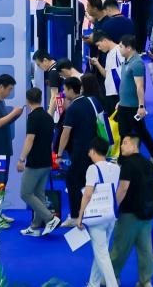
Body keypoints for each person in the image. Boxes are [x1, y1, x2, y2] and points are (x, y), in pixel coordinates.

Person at [108, 134, 153, 287]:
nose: (122, 146)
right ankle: (146, 280)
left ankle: (111, 278)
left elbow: (123, 188)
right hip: (147, 212)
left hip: (129, 213)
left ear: (134, 145)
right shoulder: (148, 163)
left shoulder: (128, 164)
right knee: (145, 249)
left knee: (119, 248)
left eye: (125, 143)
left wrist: (113, 208)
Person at [73, 137, 121, 287]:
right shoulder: (116, 167)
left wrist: (80, 216)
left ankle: (112, 284)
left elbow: (87, 194)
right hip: (111, 214)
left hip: (97, 216)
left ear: (93, 151)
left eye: (89, 151)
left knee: (101, 253)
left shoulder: (92, 169)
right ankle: (93, 283)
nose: (88, 153)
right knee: (101, 250)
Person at [16, 87, 61, 237]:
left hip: (35, 163)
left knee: (25, 193)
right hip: (46, 161)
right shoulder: (48, 117)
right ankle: (35, 227)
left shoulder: (33, 117)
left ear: (28, 100)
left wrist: (21, 159)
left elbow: (30, 139)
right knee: (39, 194)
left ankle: (50, 219)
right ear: (40, 99)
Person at [57, 76, 100, 226]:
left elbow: (65, 133)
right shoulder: (91, 101)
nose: (63, 92)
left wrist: (59, 154)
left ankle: (76, 216)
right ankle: (89, 213)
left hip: (80, 151)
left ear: (70, 90)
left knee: (72, 181)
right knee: (87, 181)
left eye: (64, 89)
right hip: (95, 150)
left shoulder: (73, 108)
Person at [114, 35, 153, 156]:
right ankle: (123, 159)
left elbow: (140, 86)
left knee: (142, 133)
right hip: (123, 106)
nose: (119, 49)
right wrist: (121, 101)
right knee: (123, 133)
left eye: (121, 46)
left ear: (128, 48)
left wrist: (141, 106)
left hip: (133, 107)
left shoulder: (137, 63)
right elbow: (126, 84)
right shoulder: (126, 61)